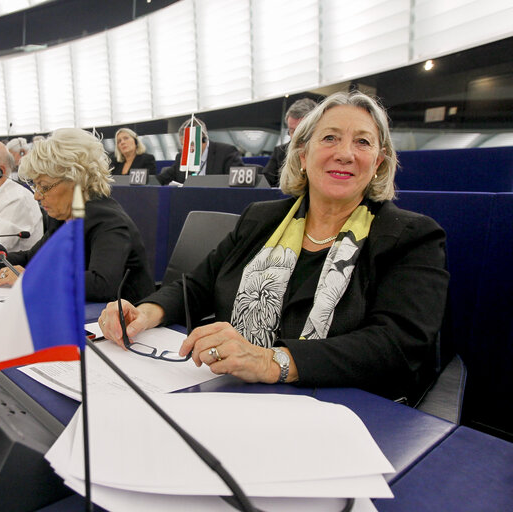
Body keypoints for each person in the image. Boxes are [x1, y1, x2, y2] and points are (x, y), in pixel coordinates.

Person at [98, 91, 449, 404]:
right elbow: (196, 285)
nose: (345, 154)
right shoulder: (260, 218)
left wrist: (273, 362)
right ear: (302, 153)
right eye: (330, 138)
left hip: (343, 409)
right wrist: (145, 313)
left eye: (363, 142)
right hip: (230, 393)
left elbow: (398, 344)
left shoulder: (411, 236)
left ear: (379, 162)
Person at [0, 128, 156, 303]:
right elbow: (31, 258)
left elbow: (102, 284)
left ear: (75, 181)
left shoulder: (108, 221)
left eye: (44, 187)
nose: (37, 196)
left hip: (124, 331)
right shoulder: (63, 216)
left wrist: (35, 277)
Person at [156, 119, 243, 185]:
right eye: (184, 145)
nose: (187, 149)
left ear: (204, 139)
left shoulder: (226, 152)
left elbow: (238, 183)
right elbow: (161, 180)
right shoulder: (182, 157)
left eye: (191, 144)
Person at [264, 98, 318, 187]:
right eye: (292, 131)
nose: (295, 137)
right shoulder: (280, 152)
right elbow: (265, 184)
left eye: (300, 130)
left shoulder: (324, 153)